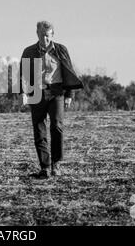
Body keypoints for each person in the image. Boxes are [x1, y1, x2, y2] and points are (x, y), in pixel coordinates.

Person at [20, 21, 84, 179]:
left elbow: (69, 72)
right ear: (37, 34)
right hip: (36, 93)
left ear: (52, 35)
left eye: (47, 36)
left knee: (57, 127)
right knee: (39, 130)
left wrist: (69, 95)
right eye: (42, 36)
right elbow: (23, 74)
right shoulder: (29, 51)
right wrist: (23, 93)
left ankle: (56, 163)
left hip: (56, 92)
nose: (44, 39)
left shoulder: (61, 50)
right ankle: (45, 167)